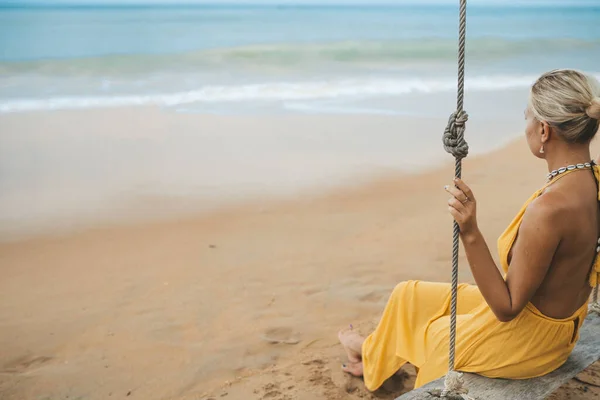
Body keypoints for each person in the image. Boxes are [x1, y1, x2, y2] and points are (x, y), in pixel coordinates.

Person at [338, 69, 600, 391]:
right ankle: (371, 357)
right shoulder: (592, 180)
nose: (527, 128)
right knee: (410, 295)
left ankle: (377, 359)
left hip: (535, 341)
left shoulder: (549, 210)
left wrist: (470, 231)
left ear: (544, 130)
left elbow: (506, 308)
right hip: (550, 322)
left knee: (438, 338)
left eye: (527, 118)